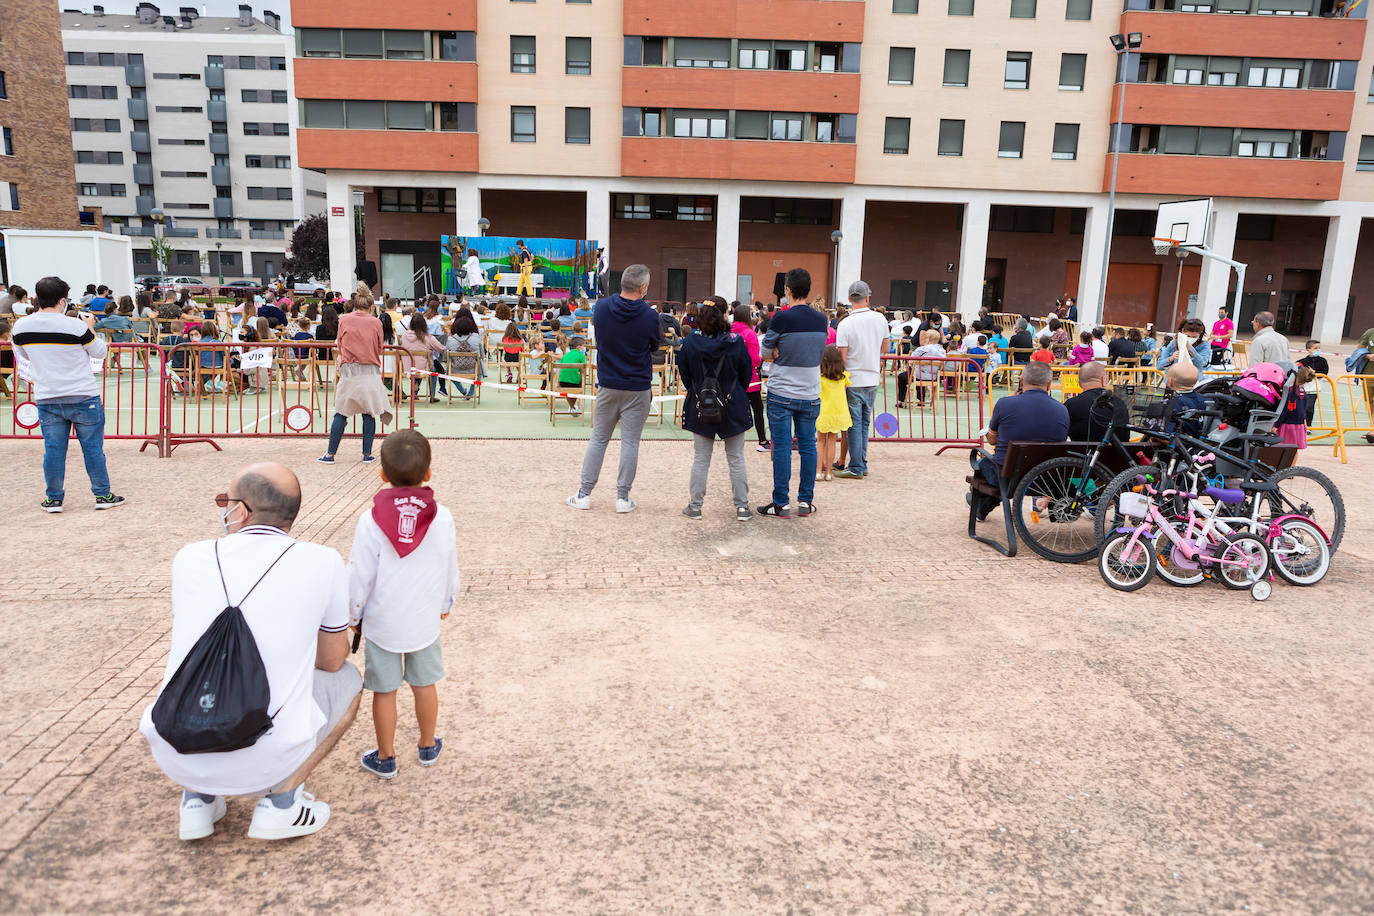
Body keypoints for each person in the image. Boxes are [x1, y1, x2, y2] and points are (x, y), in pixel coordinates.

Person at [140, 462, 361, 841]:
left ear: (240, 511)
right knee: (349, 679)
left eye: (225, 501)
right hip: (264, 754)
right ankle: (281, 804)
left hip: (173, 746)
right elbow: (330, 661)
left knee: (209, 670)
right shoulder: (323, 561)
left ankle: (198, 798)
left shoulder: (189, 557)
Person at [347, 431, 458, 780]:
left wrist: (353, 612)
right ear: (428, 473)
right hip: (424, 618)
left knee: (384, 690)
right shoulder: (442, 517)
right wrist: (446, 601)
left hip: (382, 622)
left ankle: (386, 756)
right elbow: (448, 563)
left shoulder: (371, 520)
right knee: (425, 684)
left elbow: (359, 573)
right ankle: (427, 745)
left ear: (382, 474)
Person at [11, 277, 125, 512]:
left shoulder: (21, 327)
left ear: (37, 298)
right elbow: (99, 352)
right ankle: (102, 495)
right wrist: (91, 325)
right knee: (92, 448)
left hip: (47, 396)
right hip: (83, 394)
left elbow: (23, 356)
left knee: (53, 449)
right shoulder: (76, 326)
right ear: (63, 300)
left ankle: (54, 498)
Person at [566, 264, 661, 514]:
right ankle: (622, 497)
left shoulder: (603, 307)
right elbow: (654, 346)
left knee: (598, 439)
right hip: (638, 386)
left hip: (608, 384)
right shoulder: (650, 316)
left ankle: (584, 493)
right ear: (643, 287)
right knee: (630, 442)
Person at [758, 267, 827, 519]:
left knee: (782, 447)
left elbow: (765, 352)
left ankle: (781, 502)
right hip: (810, 392)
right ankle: (806, 501)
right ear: (808, 289)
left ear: (787, 289)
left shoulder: (781, 318)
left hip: (782, 390)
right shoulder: (822, 320)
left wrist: (778, 353)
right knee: (808, 446)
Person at [678, 300, 753, 520]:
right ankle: (742, 507)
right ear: (724, 316)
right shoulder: (735, 341)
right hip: (732, 403)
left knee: (701, 458)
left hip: (701, 403)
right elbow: (746, 374)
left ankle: (695, 506)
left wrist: (698, 388)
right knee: (736, 458)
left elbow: (684, 373)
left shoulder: (691, 342)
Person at [969, 361, 1069, 520]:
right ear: (1049, 384)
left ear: (1021, 381)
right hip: (1044, 480)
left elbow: (993, 440)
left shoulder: (1005, 404)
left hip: (1007, 478)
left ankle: (981, 507)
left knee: (983, 464)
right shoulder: (1062, 410)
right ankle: (981, 508)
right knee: (1001, 466)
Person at [319, 296, 392, 464]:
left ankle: (330, 454)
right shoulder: (376, 323)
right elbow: (380, 347)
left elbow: (340, 343)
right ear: (371, 306)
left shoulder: (344, 319)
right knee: (369, 412)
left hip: (349, 371)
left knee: (341, 412)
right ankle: (367, 454)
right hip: (369, 370)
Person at [831, 280, 887, 480]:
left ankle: (856, 466)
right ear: (868, 297)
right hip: (872, 377)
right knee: (864, 423)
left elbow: (843, 357)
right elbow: (885, 348)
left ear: (849, 299)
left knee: (853, 424)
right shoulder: (880, 319)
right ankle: (861, 463)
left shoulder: (845, 323)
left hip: (853, 378)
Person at [731, 304, 769, 452]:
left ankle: (732, 439)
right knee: (757, 409)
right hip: (749, 378)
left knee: (734, 408)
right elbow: (755, 359)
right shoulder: (749, 333)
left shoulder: (729, 331)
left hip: (731, 376)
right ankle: (762, 440)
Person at [814, 345, 852, 485]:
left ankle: (818, 471)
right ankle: (829, 472)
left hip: (823, 412)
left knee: (820, 442)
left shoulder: (820, 378)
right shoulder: (843, 377)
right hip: (838, 413)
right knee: (831, 442)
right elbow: (846, 386)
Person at [1064, 362, 1129, 441]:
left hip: (1080, 452)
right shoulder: (1119, 403)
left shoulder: (1071, 404)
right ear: (1103, 379)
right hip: (1115, 452)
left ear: (1079, 383)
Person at [1297, 340, 1328, 426]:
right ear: (1308, 349)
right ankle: (1299, 424)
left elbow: (1324, 373)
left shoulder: (1323, 361)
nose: (1318, 350)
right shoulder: (1302, 361)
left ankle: (1308, 425)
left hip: (1314, 389)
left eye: (1319, 348)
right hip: (1303, 389)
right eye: (1315, 348)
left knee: (1309, 408)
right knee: (1300, 407)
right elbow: (1298, 371)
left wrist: (1314, 372)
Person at [556, 334, 587, 415]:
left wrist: (558, 382)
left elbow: (560, 370)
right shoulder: (582, 356)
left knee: (568, 387)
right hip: (574, 382)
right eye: (583, 346)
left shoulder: (565, 355)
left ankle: (572, 407)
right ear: (579, 347)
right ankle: (572, 407)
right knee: (579, 383)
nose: (584, 348)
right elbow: (582, 371)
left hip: (562, 381)